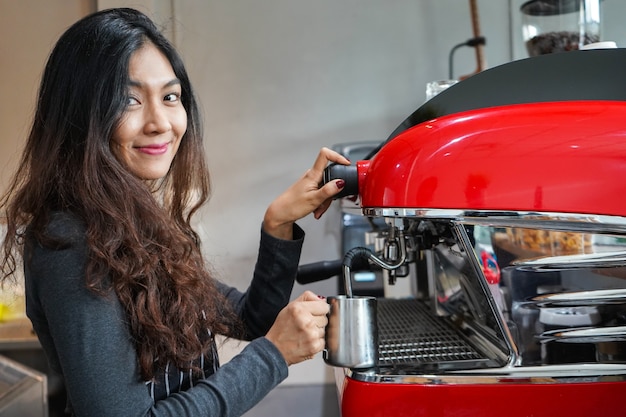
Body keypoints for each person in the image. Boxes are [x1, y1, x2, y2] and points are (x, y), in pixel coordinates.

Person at [0, 8, 350, 417]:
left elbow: (248, 318)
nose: (160, 122)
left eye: (170, 97)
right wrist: (273, 355)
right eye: (127, 100)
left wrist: (279, 222)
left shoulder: (133, 222)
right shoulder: (70, 240)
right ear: (80, 115)